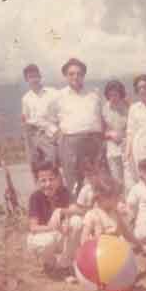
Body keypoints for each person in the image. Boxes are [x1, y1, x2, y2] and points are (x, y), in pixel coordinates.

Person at [49, 58, 105, 199]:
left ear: (84, 75)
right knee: (74, 179)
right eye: (71, 74)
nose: (75, 77)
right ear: (65, 76)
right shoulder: (58, 96)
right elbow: (47, 120)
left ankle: (99, 208)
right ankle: (76, 208)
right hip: (70, 142)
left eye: (79, 73)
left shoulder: (94, 93)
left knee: (98, 176)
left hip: (94, 141)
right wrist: (57, 134)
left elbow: (103, 115)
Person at [25, 161, 83, 282]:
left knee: (77, 221)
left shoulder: (64, 192)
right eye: (43, 181)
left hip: (59, 234)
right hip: (43, 234)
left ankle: (65, 265)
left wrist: (61, 211)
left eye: (51, 179)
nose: (48, 184)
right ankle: (49, 262)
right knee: (45, 242)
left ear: (58, 179)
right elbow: (33, 227)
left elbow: (78, 210)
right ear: (37, 182)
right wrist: (56, 227)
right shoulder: (35, 197)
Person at [80, 176, 142, 247]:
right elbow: (83, 240)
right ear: (103, 197)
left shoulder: (115, 213)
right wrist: (94, 240)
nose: (119, 199)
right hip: (99, 251)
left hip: (115, 250)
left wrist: (140, 245)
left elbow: (127, 234)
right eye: (116, 196)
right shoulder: (92, 215)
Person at [21, 64, 59, 169]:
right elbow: (25, 118)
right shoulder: (26, 99)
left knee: (52, 159)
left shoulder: (53, 93)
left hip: (52, 132)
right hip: (36, 134)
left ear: (40, 76)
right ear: (26, 80)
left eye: (36, 76)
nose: (34, 80)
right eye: (30, 77)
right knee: (35, 162)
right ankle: (35, 172)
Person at [102, 79, 130, 192]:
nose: (113, 97)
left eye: (116, 94)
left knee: (129, 176)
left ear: (121, 94)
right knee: (116, 177)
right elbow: (101, 130)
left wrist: (124, 136)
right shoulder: (104, 109)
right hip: (112, 147)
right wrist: (110, 134)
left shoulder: (128, 107)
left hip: (127, 145)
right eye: (110, 95)